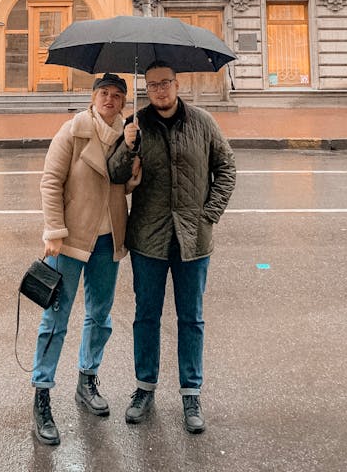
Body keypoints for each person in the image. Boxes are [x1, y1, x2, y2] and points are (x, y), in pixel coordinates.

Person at [107, 60, 236, 435]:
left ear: (177, 85)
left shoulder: (203, 123)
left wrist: (208, 215)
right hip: (149, 237)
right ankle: (144, 388)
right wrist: (127, 147)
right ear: (147, 90)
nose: (160, 91)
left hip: (193, 240)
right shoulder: (136, 126)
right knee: (146, 316)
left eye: (165, 84)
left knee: (191, 318)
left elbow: (226, 168)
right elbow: (114, 175)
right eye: (152, 86)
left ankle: (191, 393)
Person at [31, 72, 131, 447]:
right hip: (71, 241)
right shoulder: (73, 131)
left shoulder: (128, 136)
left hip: (108, 241)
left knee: (100, 316)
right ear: (93, 98)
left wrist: (134, 159)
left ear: (123, 102)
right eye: (104, 93)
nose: (110, 100)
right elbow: (50, 181)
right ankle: (41, 396)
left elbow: (128, 184)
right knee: (55, 319)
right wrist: (53, 231)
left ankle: (86, 381)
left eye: (117, 95)